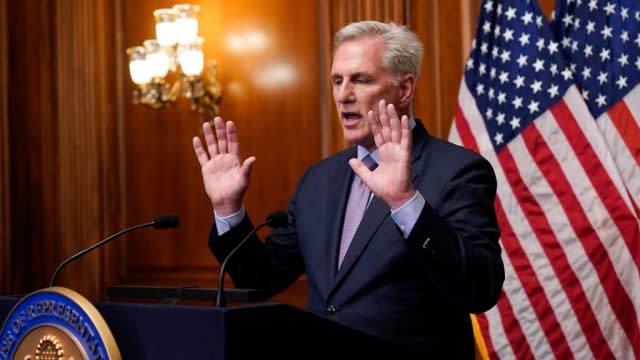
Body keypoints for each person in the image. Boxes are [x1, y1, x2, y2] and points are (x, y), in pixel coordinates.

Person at [192, 20, 504, 358]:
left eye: (361, 79)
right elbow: (261, 278)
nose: (343, 95)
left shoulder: (457, 170)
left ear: (405, 89)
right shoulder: (318, 179)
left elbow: (480, 288)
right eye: (337, 81)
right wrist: (228, 210)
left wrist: (405, 202)